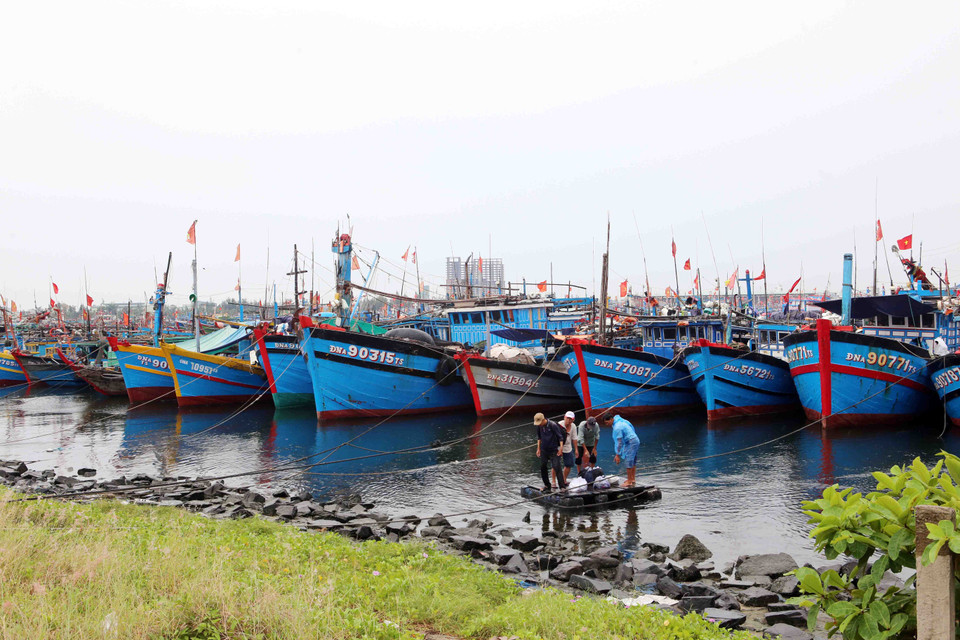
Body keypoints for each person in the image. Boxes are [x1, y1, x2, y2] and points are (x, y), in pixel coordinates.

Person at [602, 413, 640, 487]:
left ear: (611, 419)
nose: (607, 424)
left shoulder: (617, 427)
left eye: (607, 422)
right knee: (633, 460)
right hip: (635, 439)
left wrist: (617, 454)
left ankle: (629, 481)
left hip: (631, 441)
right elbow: (631, 426)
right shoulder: (620, 420)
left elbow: (619, 442)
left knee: (628, 460)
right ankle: (632, 479)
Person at [534, 412, 566, 492]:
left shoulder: (552, 425)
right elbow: (539, 438)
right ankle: (547, 485)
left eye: (539, 422)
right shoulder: (539, 427)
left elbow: (560, 437)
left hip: (553, 450)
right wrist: (538, 449)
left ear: (543, 420)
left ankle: (562, 486)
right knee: (543, 466)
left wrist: (561, 449)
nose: (539, 424)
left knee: (556, 466)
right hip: (544, 450)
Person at [559, 411, 579, 484]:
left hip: (568, 447)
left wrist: (576, 449)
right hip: (558, 446)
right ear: (564, 417)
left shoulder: (573, 426)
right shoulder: (559, 424)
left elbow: (574, 438)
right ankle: (554, 481)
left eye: (570, 419)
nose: (568, 420)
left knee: (569, 464)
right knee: (555, 464)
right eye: (567, 418)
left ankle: (564, 479)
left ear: (573, 420)